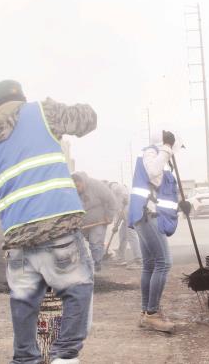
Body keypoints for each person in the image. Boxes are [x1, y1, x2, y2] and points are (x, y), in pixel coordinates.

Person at [0, 79, 96, 364]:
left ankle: (24, 358)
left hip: (17, 233)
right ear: (21, 99)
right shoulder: (41, 112)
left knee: (24, 299)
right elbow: (87, 120)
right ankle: (64, 356)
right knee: (77, 287)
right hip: (56, 224)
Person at [128, 129, 190, 333]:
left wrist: (183, 205)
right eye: (174, 147)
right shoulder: (152, 153)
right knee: (164, 263)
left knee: (150, 265)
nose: (174, 152)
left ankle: (146, 313)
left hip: (146, 215)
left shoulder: (156, 156)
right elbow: (153, 174)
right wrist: (166, 148)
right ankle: (152, 314)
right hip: (148, 216)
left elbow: (161, 192)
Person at [71, 172, 118, 272]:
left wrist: (109, 215)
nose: (77, 189)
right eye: (74, 187)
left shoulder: (96, 185)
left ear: (82, 182)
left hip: (98, 220)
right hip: (82, 223)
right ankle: (84, 266)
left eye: (78, 186)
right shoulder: (71, 190)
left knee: (95, 243)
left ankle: (97, 266)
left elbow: (112, 200)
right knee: (80, 245)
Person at [108, 181, 142, 269]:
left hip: (131, 215)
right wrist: (115, 225)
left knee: (131, 235)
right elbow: (117, 213)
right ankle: (120, 258)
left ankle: (139, 260)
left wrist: (125, 196)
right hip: (126, 217)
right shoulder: (113, 199)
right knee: (123, 235)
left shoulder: (114, 187)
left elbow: (122, 188)